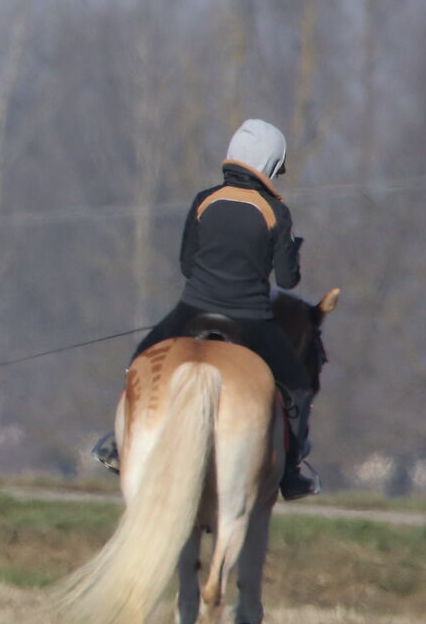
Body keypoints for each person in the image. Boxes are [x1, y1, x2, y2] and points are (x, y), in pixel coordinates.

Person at [95, 117, 319, 499]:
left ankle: (119, 445)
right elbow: (287, 280)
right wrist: (292, 251)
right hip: (251, 319)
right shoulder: (275, 213)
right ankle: (293, 471)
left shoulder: (205, 200)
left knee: (140, 362)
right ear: (269, 165)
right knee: (297, 385)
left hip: (193, 308)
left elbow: (187, 264)